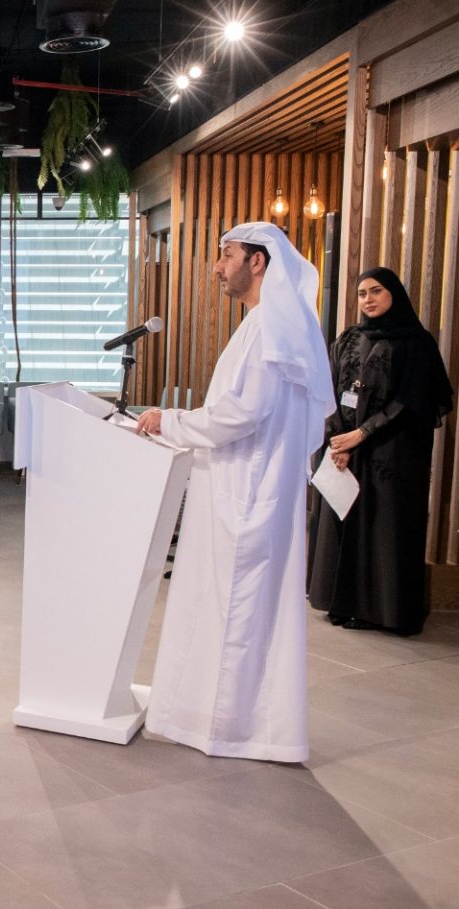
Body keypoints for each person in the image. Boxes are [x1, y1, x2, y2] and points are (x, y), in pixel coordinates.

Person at [135, 222, 335, 764]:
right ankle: (214, 719)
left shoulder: (272, 325)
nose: (217, 267)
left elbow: (242, 413)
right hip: (244, 485)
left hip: (248, 492)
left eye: (226, 255)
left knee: (238, 612)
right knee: (230, 609)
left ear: (258, 261)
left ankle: (231, 728)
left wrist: (170, 421)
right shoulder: (269, 323)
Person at [308, 267, 454, 636]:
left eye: (376, 291)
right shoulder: (348, 339)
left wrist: (362, 434)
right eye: (362, 293)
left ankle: (383, 613)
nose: (368, 299)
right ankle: (343, 604)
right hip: (345, 449)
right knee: (345, 523)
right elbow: (329, 391)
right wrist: (338, 440)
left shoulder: (415, 343)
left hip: (391, 452)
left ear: (394, 294)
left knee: (382, 528)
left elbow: (412, 399)